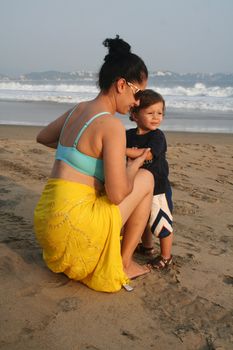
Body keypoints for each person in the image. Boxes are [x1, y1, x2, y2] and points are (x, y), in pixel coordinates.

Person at [34, 35, 154, 293]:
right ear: (122, 84)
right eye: (139, 93)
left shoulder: (79, 109)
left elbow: (43, 137)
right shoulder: (111, 125)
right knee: (146, 179)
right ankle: (124, 263)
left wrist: (88, 154)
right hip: (75, 232)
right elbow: (117, 193)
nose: (138, 103)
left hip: (48, 229)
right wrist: (136, 163)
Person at [126, 89, 173, 269]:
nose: (156, 117)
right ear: (135, 114)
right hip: (137, 186)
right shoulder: (128, 135)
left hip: (158, 188)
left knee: (161, 221)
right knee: (142, 220)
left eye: (160, 113)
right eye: (150, 113)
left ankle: (166, 256)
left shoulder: (157, 136)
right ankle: (147, 247)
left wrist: (121, 150)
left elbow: (147, 155)